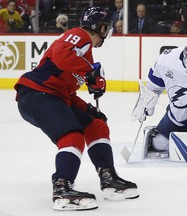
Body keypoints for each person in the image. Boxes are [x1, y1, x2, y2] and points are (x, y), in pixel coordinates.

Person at [14, 6, 139, 211]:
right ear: (99, 27)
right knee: (72, 135)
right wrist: (91, 74)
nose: (105, 35)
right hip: (36, 93)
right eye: (105, 29)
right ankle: (62, 188)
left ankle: (108, 178)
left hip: (53, 96)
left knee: (96, 125)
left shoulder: (85, 55)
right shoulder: (78, 35)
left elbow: (67, 93)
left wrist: (88, 109)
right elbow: (63, 56)